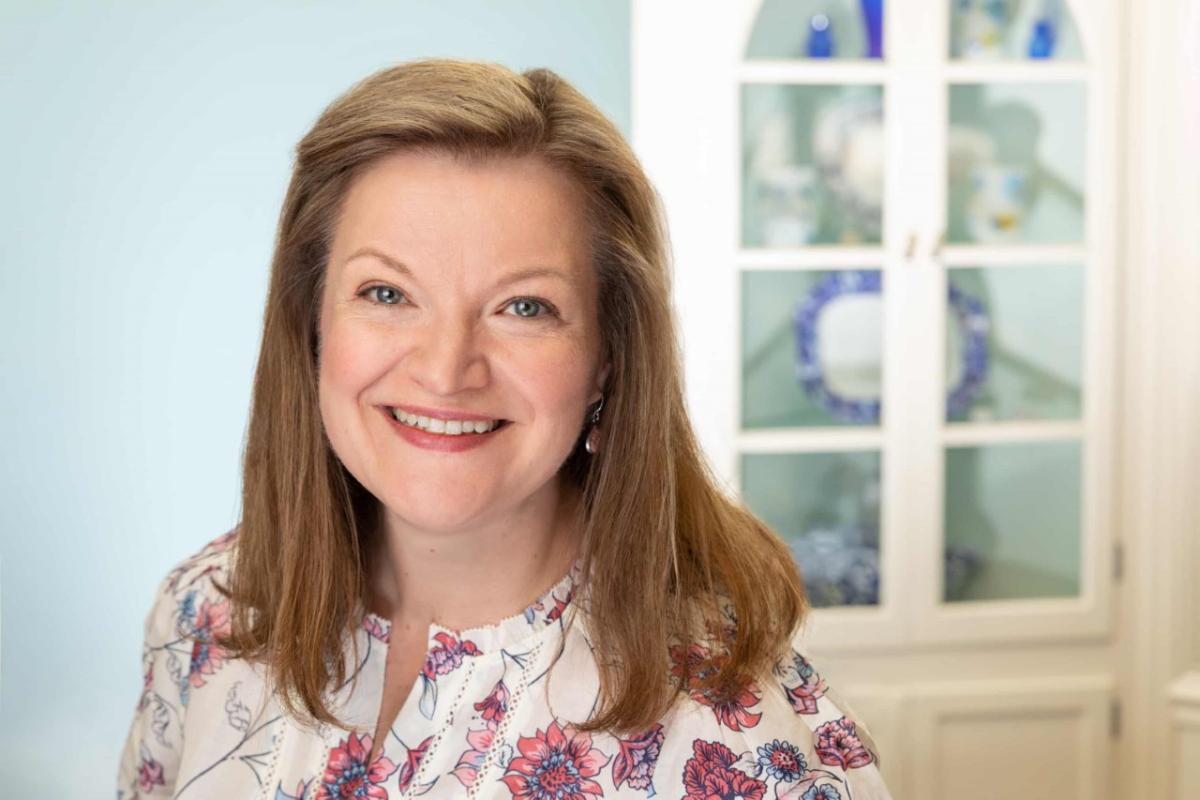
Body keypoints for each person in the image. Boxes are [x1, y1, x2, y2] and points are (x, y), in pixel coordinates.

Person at [116, 57, 894, 800]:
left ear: (608, 360)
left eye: (524, 307)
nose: (447, 368)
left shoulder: (746, 746)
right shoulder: (207, 613)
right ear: (311, 325)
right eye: (386, 293)